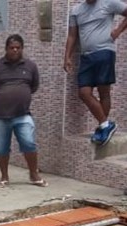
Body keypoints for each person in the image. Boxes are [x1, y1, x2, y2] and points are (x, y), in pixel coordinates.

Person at [0, 34, 47, 188]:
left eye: (18, 48)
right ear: (6, 49)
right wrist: (0, 97)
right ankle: (4, 176)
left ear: (22, 48)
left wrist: (20, 95)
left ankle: (34, 175)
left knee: (29, 143)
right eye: (12, 48)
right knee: (1, 148)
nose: (15, 50)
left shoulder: (30, 66)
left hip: (22, 115)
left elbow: (34, 87)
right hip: (0, 116)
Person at [64, 0, 127, 146]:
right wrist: (67, 56)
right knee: (83, 92)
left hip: (104, 52)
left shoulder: (109, 3)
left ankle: (102, 127)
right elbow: (72, 35)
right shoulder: (76, 11)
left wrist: (118, 31)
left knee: (103, 92)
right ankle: (105, 124)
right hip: (86, 57)